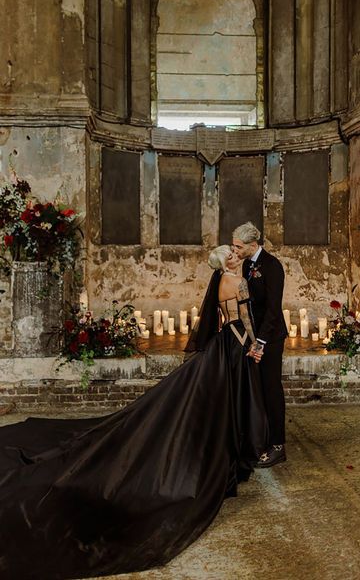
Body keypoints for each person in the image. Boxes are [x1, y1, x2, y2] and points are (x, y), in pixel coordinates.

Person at [0, 246, 267, 580]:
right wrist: (254, 346)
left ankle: (229, 454)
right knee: (221, 403)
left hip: (219, 344)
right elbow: (245, 320)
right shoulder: (235, 282)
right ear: (225, 261)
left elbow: (216, 322)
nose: (235, 256)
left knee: (214, 403)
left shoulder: (219, 280)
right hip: (234, 344)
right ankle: (230, 455)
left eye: (234, 253)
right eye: (231, 254)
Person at [232, 222, 288, 468]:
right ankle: (260, 437)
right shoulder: (247, 264)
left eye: (238, 246)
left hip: (271, 338)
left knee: (271, 388)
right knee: (258, 389)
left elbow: (273, 309)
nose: (235, 250)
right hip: (255, 337)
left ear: (253, 245)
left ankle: (278, 445)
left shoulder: (273, 266)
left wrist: (262, 342)